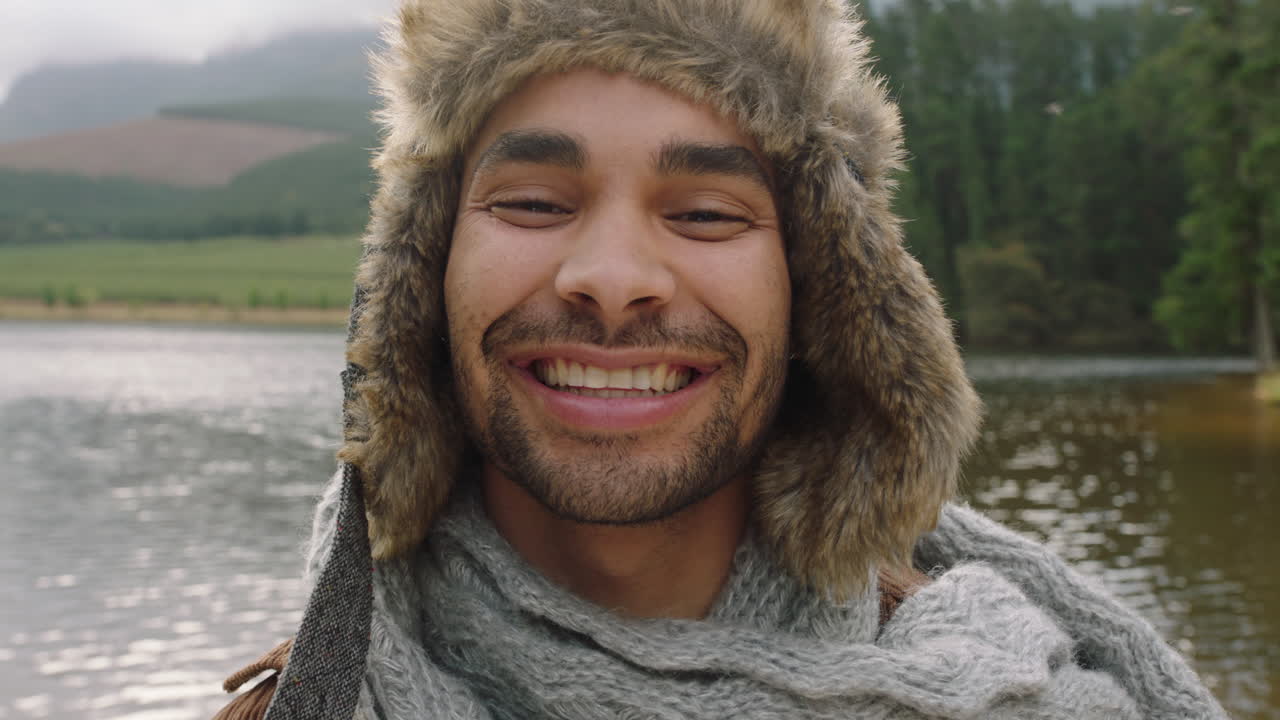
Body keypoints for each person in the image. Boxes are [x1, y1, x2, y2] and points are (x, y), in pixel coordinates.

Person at [214, 0, 1227, 718]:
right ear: (423, 275)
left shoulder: (1040, 691)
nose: (611, 278)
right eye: (531, 202)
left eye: (704, 213)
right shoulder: (309, 702)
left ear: (820, 297)